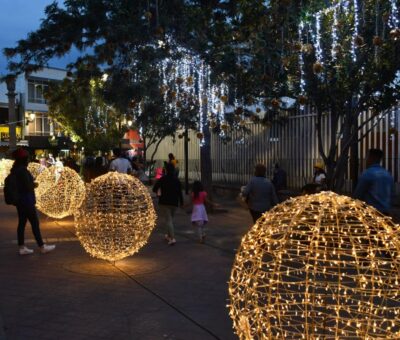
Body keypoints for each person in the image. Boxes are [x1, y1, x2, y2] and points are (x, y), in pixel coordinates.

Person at [10, 148, 55, 255]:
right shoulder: (22, 170)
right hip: (27, 201)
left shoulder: (15, 169)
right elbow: (27, 186)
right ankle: (42, 246)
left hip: (21, 201)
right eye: (27, 158)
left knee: (22, 224)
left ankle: (22, 247)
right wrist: (35, 184)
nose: (28, 160)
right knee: (34, 223)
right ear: (23, 159)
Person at [353, 148, 394, 215]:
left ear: (371, 158)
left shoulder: (367, 174)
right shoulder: (387, 174)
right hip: (386, 212)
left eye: (366, 157)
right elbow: (392, 195)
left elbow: (358, 195)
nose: (365, 160)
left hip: (371, 213)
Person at [152, 163, 184, 245]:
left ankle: (172, 238)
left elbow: (154, 189)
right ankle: (168, 235)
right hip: (174, 202)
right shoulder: (177, 180)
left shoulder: (162, 179)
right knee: (170, 220)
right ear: (174, 170)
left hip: (164, 202)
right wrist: (181, 202)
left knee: (168, 220)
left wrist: (159, 192)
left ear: (166, 170)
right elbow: (180, 192)